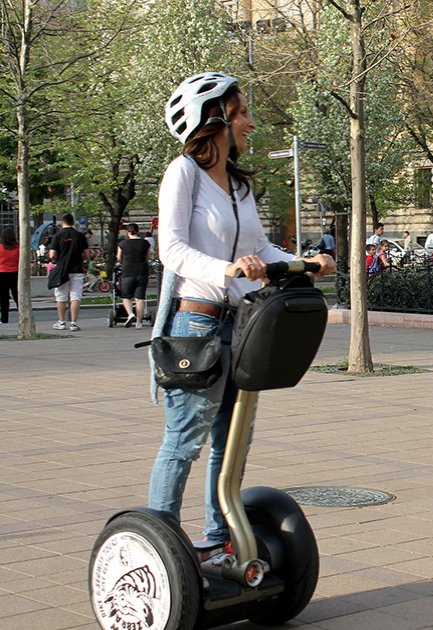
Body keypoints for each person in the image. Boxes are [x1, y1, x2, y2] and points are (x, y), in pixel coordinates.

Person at [148, 72, 335, 550]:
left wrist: (304, 262)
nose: (251, 122)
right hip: (196, 323)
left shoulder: (239, 185)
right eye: (242, 113)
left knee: (231, 444)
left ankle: (218, 540)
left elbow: (260, 247)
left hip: (242, 324)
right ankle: (160, 543)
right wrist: (228, 269)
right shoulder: (183, 173)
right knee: (185, 440)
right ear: (214, 121)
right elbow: (171, 250)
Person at [48, 213, 90, 331]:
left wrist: (55, 259)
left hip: (62, 269)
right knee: (75, 296)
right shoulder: (80, 236)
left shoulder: (57, 236)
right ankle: (73, 323)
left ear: (62, 222)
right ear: (73, 222)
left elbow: (52, 255)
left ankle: (61, 322)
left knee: (61, 296)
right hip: (77, 269)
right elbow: (87, 254)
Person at [117, 222, 151, 328]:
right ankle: (139, 323)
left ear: (127, 232)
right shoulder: (145, 243)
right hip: (142, 271)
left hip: (128, 272)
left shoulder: (123, 244)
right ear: (138, 231)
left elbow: (119, 258)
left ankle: (131, 314)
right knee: (140, 298)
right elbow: (148, 257)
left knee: (126, 296)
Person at [0, 227, 18, 324]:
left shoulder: (0, 247)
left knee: (3, 298)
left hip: (2, 273)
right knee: (17, 297)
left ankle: (4, 319)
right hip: (15, 274)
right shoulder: (18, 247)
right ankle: (22, 316)